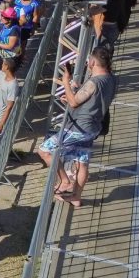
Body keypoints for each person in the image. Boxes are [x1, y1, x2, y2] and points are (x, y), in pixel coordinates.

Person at [37, 47, 116, 207]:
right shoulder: (112, 79)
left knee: (44, 151)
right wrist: (76, 90)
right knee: (82, 160)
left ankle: (65, 181)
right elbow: (91, 99)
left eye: (89, 61)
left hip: (78, 127)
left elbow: (74, 102)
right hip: (93, 127)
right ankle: (76, 197)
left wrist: (66, 81)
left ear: (93, 62)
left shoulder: (94, 82)